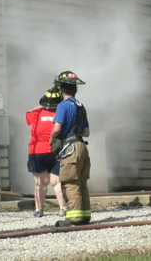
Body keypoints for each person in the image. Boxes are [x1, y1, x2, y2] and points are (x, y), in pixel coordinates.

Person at [51, 71, 90, 227]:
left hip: (70, 148)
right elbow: (87, 132)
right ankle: (85, 215)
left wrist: (51, 138)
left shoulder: (63, 106)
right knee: (81, 182)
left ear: (62, 89)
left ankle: (74, 218)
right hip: (82, 146)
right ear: (75, 89)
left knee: (71, 183)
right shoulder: (81, 106)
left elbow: (57, 128)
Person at [25, 87, 67, 217]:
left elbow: (27, 116)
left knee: (40, 183)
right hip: (56, 152)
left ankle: (39, 210)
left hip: (38, 152)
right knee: (57, 182)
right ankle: (63, 209)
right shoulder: (60, 114)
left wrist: (40, 106)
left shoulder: (36, 114)